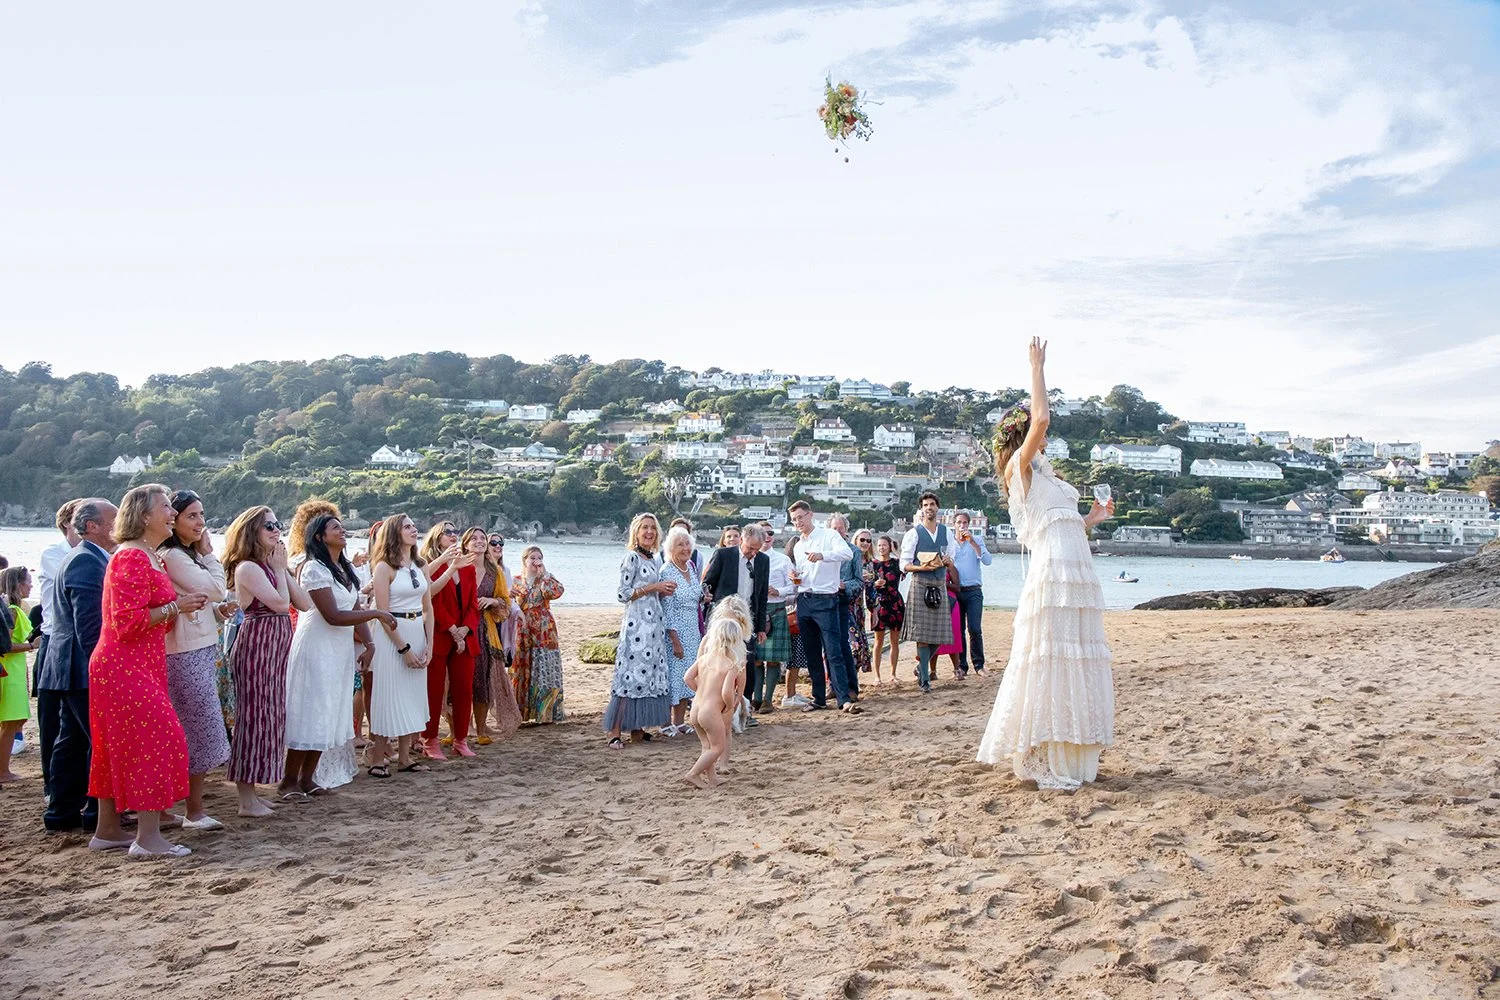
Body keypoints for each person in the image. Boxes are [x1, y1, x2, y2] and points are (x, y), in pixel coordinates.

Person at [978, 338, 1115, 791]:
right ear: (1021, 437)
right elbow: (1041, 416)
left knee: (1074, 658)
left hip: (1075, 569)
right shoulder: (1020, 467)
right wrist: (1036, 368)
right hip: (1053, 572)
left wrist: (1093, 518)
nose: (1046, 437)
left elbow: (1067, 525)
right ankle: (1041, 750)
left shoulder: (1050, 478)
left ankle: (1070, 751)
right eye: (1037, 434)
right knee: (1052, 658)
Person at [88, 484, 209, 858]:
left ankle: (107, 831)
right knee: (160, 739)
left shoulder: (147, 556)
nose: (172, 513)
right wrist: (178, 606)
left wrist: (181, 608)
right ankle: (147, 837)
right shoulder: (132, 558)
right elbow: (127, 622)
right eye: (165, 508)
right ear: (143, 515)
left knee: (115, 747)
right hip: (123, 664)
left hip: (139, 662)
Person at [282, 514, 395, 795]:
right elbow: (332, 615)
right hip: (316, 647)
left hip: (339, 650)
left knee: (331, 711)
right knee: (311, 710)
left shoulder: (344, 570)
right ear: (320, 536)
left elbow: (354, 609)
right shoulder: (313, 569)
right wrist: (378, 613)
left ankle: (309, 779)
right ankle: (289, 780)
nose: (342, 531)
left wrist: (370, 644)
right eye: (335, 528)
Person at [222, 505, 311, 815]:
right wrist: (279, 571)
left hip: (275, 647)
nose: (277, 531)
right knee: (253, 718)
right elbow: (278, 604)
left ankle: (255, 792)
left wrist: (283, 569)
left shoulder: (271, 566)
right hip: (257, 645)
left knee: (270, 717)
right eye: (269, 527)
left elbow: (304, 602)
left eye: (278, 525)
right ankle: (245, 799)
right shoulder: (247, 568)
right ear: (252, 532)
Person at [158, 489, 236, 830]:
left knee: (195, 729)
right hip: (184, 652)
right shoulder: (174, 556)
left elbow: (207, 599)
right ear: (173, 519)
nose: (201, 523)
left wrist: (217, 612)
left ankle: (177, 807)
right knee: (198, 728)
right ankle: (193, 810)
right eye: (192, 515)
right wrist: (209, 556)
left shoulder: (183, 557)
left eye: (202, 515)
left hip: (199, 646)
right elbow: (216, 587)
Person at [39, 498, 115, 836]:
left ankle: (62, 812)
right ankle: (93, 813)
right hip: (79, 666)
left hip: (68, 664)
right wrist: (105, 668)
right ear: (92, 527)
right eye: (114, 518)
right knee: (98, 741)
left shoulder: (87, 557)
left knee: (72, 741)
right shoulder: (86, 561)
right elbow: (89, 626)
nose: (121, 522)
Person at [366, 515, 435, 776]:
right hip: (393, 635)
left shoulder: (421, 564)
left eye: (414, 526)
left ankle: (405, 757)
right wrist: (403, 649)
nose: (414, 529)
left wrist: (429, 642)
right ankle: (377, 757)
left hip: (417, 630)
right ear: (395, 532)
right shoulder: (384, 567)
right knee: (388, 692)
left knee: (412, 694)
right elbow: (383, 613)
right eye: (407, 526)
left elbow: (428, 608)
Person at [604, 513, 673, 748]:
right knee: (629, 676)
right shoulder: (631, 557)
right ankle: (615, 732)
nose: (649, 532)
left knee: (646, 677)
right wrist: (654, 586)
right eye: (644, 527)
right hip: (636, 628)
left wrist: (661, 591)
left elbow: (647, 590)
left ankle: (637, 728)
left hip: (653, 628)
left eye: (653, 528)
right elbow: (623, 594)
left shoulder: (653, 559)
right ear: (636, 531)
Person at [787, 501, 860, 715]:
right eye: (794, 520)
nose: (798, 522)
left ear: (810, 515)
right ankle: (818, 698)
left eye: (801, 517)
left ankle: (843, 698)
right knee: (811, 653)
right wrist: (796, 577)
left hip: (827, 599)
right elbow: (803, 573)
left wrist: (823, 556)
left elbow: (847, 554)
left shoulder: (829, 536)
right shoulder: (799, 545)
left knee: (833, 651)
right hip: (805, 599)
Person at [33, 498, 82, 800]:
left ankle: (71, 787)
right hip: (56, 642)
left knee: (73, 725)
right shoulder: (55, 554)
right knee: (52, 721)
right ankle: (52, 788)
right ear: (67, 523)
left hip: (78, 640)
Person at [422, 524, 480, 760]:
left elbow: (472, 604)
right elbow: (431, 602)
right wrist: (452, 629)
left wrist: (465, 629)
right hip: (439, 633)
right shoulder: (429, 566)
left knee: (464, 690)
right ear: (437, 537)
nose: (453, 534)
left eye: (455, 531)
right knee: (433, 691)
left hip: (464, 636)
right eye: (447, 531)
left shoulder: (467, 568)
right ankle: (430, 740)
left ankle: (461, 739)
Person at [682, 596, 752, 790]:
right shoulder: (731, 664)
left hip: (696, 709)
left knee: (707, 746)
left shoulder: (704, 659)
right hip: (711, 712)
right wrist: (729, 705)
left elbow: (687, 678)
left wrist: (700, 692)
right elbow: (726, 691)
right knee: (717, 747)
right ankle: (693, 774)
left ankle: (712, 779)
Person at [700, 524, 768, 716]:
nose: (753, 553)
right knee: (720, 661)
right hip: (723, 618)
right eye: (750, 548)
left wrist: (761, 627)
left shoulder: (763, 560)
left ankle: (744, 707)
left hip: (747, 620)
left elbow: (762, 595)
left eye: (757, 549)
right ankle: (718, 706)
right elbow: (708, 582)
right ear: (742, 540)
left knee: (748, 662)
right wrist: (705, 596)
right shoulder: (723, 555)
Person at [899, 492, 957, 693]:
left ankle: (920, 667)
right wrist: (922, 568)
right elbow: (904, 564)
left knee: (940, 634)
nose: (929, 507)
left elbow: (952, 555)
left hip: (940, 583)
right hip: (920, 583)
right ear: (921, 509)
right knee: (922, 636)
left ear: (937, 508)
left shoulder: (946, 532)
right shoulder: (914, 533)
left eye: (932, 504)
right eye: (925, 505)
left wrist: (949, 561)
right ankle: (925, 679)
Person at [474, 532, 522, 743]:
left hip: (490, 627)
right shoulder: (461, 568)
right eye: (492, 542)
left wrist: (493, 602)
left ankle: (481, 727)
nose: (496, 546)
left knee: (485, 676)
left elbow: (506, 600)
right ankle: (459, 728)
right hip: (463, 626)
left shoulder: (499, 571)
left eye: (499, 543)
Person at [512, 545, 565, 724]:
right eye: (532, 558)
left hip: (544, 628)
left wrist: (545, 575)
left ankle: (545, 712)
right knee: (522, 667)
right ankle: (521, 713)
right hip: (523, 627)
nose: (536, 562)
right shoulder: (515, 580)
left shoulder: (546, 579)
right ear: (524, 560)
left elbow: (556, 592)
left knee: (544, 667)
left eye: (539, 558)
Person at [658, 526, 703, 736]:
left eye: (687, 544)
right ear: (670, 548)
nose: (685, 548)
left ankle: (680, 721)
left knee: (687, 675)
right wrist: (674, 639)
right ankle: (665, 722)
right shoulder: (667, 571)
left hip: (693, 628)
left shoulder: (691, 568)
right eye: (680, 544)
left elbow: (695, 596)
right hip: (676, 631)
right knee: (673, 677)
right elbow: (667, 608)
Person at [1, 566, 37, 784]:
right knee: (10, 720)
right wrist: (31, 646)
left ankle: (3, 768)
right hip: (10, 670)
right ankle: (3, 770)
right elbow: (6, 645)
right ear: (17, 584)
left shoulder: (15, 608)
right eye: (27, 581)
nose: (31, 585)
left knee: (15, 720)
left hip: (15, 669)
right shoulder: (12, 610)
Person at [754, 522, 793, 713]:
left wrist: (778, 591)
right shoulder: (749, 557)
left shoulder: (783, 560)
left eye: (770, 533)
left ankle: (768, 700)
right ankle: (756, 699)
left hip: (776, 609)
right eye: (762, 533)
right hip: (755, 611)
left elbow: (794, 587)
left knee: (773, 659)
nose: (767, 536)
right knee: (755, 659)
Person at [830, 515, 869, 695]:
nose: (837, 531)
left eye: (840, 528)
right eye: (834, 528)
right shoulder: (824, 549)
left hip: (847, 603)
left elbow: (859, 581)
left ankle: (852, 685)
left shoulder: (854, 551)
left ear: (846, 530)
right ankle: (833, 685)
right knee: (829, 646)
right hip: (825, 601)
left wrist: (845, 585)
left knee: (851, 645)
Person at [950, 511, 993, 678]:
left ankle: (979, 665)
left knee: (974, 629)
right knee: (958, 630)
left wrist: (973, 542)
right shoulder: (949, 543)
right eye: (959, 522)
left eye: (965, 523)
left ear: (969, 524)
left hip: (974, 590)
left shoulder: (977, 541)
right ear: (954, 524)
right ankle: (962, 666)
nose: (962, 526)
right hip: (956, 591)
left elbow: (987, 561)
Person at [867, 535, 904, 686]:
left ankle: (893, 674)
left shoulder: (896, 563)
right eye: (879, 545)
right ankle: (877, 676)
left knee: (895, 641)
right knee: (878, 641)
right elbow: (867, 585)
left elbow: (907, 564)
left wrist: (897, 551)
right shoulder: (872, 565)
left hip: (895, 602)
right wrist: (874, 584)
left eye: (885, 545)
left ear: (890, 546)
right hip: (879, 604)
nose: (882, 548)